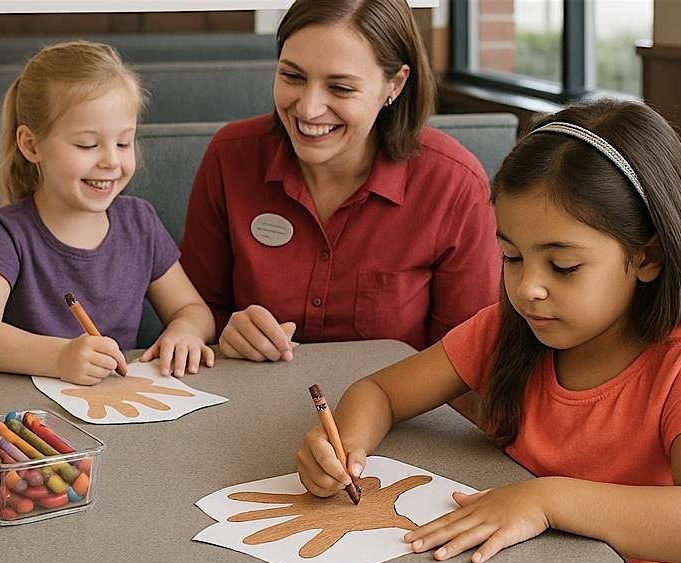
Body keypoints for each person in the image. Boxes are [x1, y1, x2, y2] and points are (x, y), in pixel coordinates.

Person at [297, 100, 681, 563]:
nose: (528, 288)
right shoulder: (506, 332)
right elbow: (381, 391)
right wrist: (344, 448)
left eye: (564, 266)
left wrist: (544, 501)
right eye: (511, 257)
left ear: (647, 256)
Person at [180, 0, 500, 363]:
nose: (308, 108)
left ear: (394, 84)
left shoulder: (453, 185)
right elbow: (194, 309)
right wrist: (225, 333)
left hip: (402, 413)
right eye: (293, 77)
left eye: (341, 88)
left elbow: (467, 359)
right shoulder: (230, 157)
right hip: (249, 397)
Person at [0, 41, 215, 385]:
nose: (110, 160)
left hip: (118, 405)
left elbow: (194, 311)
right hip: (29, 412)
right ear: (32, 145)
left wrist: (185, 331)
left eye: (123, 143)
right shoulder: (6, 232)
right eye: (87, 145)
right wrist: (59, 358)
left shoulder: (141, 223)